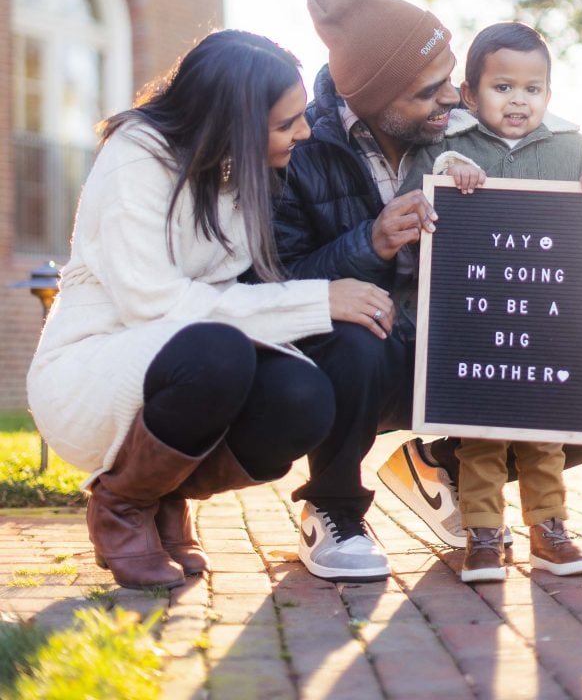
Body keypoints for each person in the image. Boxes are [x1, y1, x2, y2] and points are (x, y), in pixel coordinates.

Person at [273, 0, 582, 565]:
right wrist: (370, 242)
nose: (454, 98)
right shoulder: (301, 150)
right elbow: (279, 282)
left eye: (453, 80)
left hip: (483, 332)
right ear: (379, 100)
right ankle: (334, 507)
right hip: (376, 350)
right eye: (432, 90)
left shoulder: (481, 134)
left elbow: (564, 201)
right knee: (357, 338)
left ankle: (443, 469)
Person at [27, 29, 397, 591]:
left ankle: (163, 490)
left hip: (188, 362)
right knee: (217, 349)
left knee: (303, 396)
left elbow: (250, 284)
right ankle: (122, 503)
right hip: (94, 370)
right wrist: (318, 299)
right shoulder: (137, 157)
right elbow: (155, 303)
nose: (303, 131)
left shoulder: (240, 167)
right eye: (285, 123)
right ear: (232, 122)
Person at [399, 20, 582, 581]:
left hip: (547, 324)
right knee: (480, 434)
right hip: (477, 321)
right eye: (503, 87)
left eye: (533, 88)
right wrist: (452, 172)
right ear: (472, 93)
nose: (519, 100)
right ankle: (483, 535)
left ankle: (549, 531)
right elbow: (417, 186)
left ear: (548, 95)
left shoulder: (569, 145)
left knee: (547, 434)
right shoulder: (450, 146)